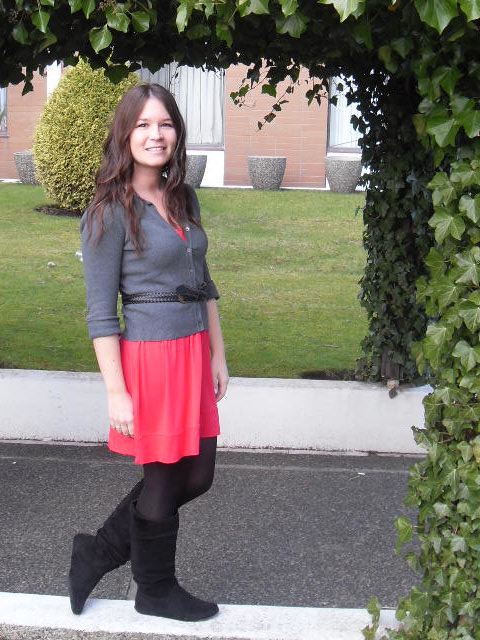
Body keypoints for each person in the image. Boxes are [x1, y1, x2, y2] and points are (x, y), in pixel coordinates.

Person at [68, 83, 229, 622]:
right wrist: (117, 392)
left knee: (198, 474)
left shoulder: (184, 197)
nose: (155, 135)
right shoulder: (107, 213)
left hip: (193, 350)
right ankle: (155, 589)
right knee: (164, 477)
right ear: (125, 134)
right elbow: (100, 315)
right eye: (143, 125)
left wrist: (217, 354)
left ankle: (98, 551)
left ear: (177, 132)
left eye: (165, 124)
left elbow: (203, 280)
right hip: (152, 360)